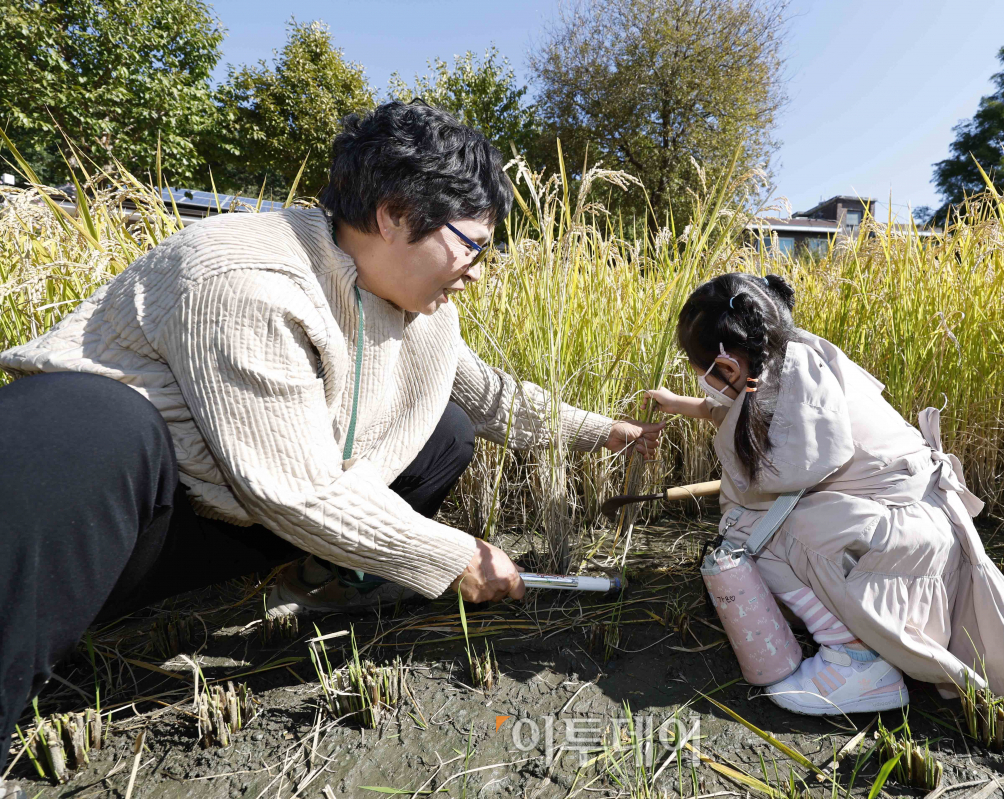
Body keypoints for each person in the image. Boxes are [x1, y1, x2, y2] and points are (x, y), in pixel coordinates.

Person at [0, 101, 663, 779]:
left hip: (241, 524)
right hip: (106, 531)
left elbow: (489, 397)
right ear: (395, 215)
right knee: (89, 420)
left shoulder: (416, 305)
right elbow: (299, 489)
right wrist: (452, 554)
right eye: (473, 245)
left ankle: (325, 585)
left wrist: (607, 432)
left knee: (446, 430)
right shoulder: (243, 278)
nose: (477, 269)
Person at [646, 272, 1004, 716]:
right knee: (757, 526)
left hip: (909, 542)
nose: (701, 382)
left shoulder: (799, 388)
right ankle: (845, 628)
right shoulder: (791, 358)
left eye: (700, 373)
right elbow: (746, 411)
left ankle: (859, 662)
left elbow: (764, 482)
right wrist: (684, 405)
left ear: (727, 367)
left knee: (747, 533)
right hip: (913, 531)